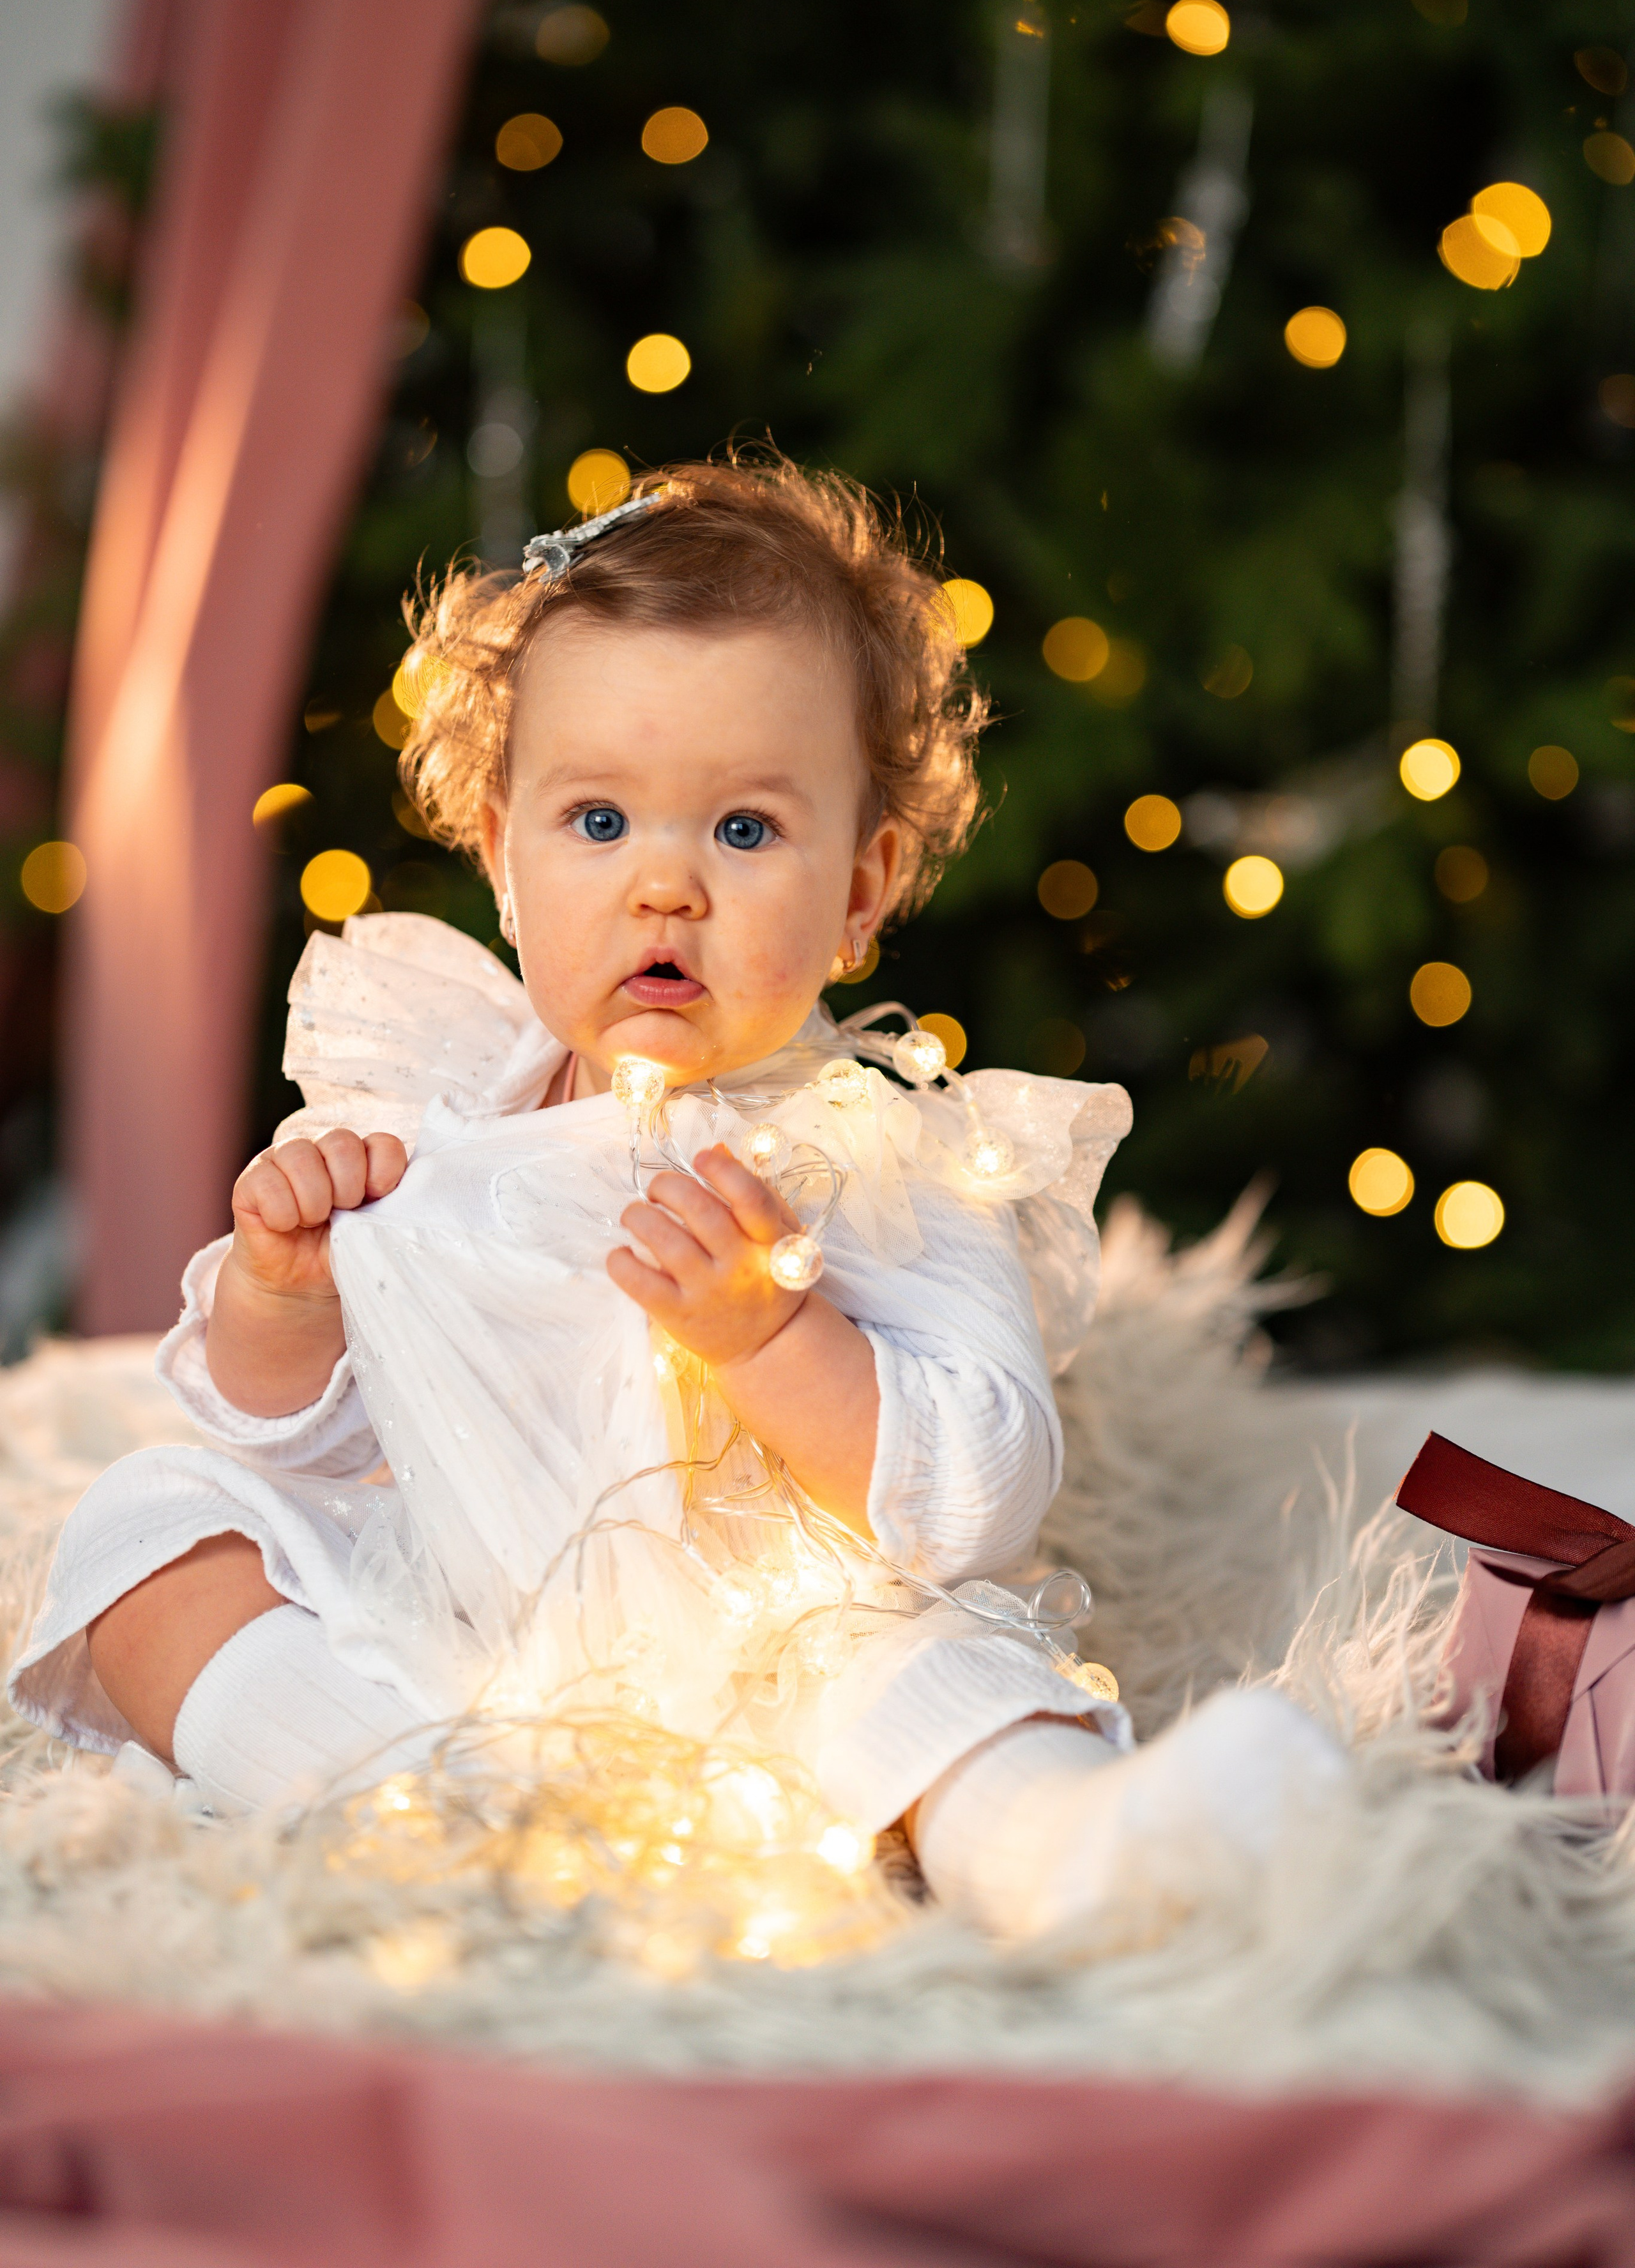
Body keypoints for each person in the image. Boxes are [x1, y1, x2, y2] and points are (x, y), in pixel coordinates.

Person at [10, 455, 1341, 1938]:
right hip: (477, 1638)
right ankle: (416, 1808)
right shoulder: (442, 1114)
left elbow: (983, 1485)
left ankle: (1072, 1851)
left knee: (933, 1684)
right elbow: (310, 1433)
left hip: (784, 1656)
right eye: (596, 823)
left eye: (744, 831)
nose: (665, 889)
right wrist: (285, 1292)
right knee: (150, 1523)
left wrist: (774, 1341)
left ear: (859, 889)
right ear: (505, 869)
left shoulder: (877, 1155)